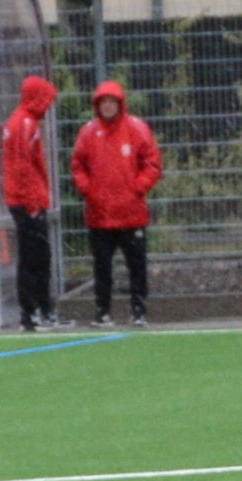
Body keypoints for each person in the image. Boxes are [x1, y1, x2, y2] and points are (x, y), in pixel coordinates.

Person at [70, 80, 159, 327]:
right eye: (103, 102)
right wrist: (89, 190)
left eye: (112, 102)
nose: (108, 106)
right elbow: (78, 165)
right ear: (97, 105)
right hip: (100, 215)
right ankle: (102, 312)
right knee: (102, 267)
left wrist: (137, 188)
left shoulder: (137, 129)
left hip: (132, 214)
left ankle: (139, 311)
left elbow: (152, 163)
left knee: (136, 265)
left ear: (120, 104)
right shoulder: (88, 133)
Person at [4, 73, 60, 331]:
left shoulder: (21, 121)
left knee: (36, 256)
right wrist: (32, 203)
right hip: (28, 202)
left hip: (25, 199)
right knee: (34, 258)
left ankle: (39, 311)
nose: (48, 106)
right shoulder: (25, 123)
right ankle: (33, 312)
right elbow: (22, 166)